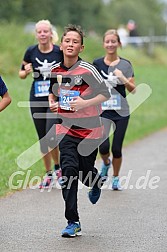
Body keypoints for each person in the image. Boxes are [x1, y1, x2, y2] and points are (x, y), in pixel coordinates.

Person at [49, 24, 110, 237]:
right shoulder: (55, 71)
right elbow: (53, 94)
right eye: (67, 41)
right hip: (66, 128)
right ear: (61, 44)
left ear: (81, 47)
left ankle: (95, 181)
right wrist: (53, 103)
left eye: (75, 42)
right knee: (69, 172)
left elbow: (105, 94)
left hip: (90, 131)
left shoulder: (88, 69)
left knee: (85, 172)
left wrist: (84, 103)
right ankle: (72, 221)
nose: (71, 44)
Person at [18, 20, 63, 189]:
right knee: (42, 139)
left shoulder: (59, 51)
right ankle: (48, 174)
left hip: (54, 98)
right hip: (36, 97)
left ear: (51, 33)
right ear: (36, 34)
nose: (43, 34)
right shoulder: (31, 51)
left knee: (51, 136)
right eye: (40, 32)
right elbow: (21, 73)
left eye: (46, 31)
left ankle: (58, 169)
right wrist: (26, 71)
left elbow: (69, 69)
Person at [93, 29, 136, 190]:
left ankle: (116, 178)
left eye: (113, 41)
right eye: (107, 41)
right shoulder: (97, 64)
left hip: (121, 112)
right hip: (102, 111)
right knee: (103, 147)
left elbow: (133, 89)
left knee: (116, 148)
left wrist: (123, 78)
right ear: (104, 44)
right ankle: (105, 163)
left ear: (119, 43)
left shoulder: (125, 64)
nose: (110, 44)